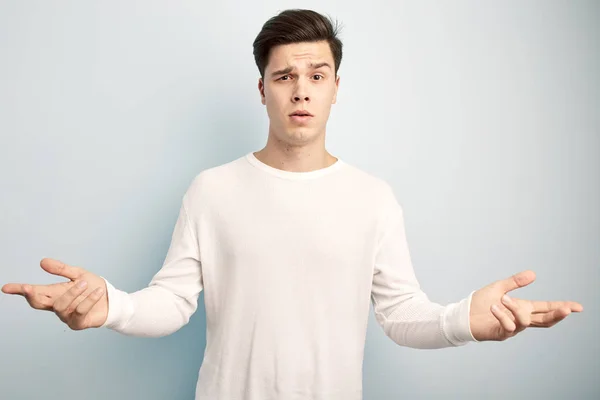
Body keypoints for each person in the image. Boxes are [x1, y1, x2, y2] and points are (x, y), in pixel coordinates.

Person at [1, 9, 583, 400]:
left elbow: (402, 316)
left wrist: (465, 323)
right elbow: (174, 303)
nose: (300, 88)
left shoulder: (372, 198)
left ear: (335, 87)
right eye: (284, 76)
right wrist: (110, 307)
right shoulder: (213, 189)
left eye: (316, 74)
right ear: (263, 90)